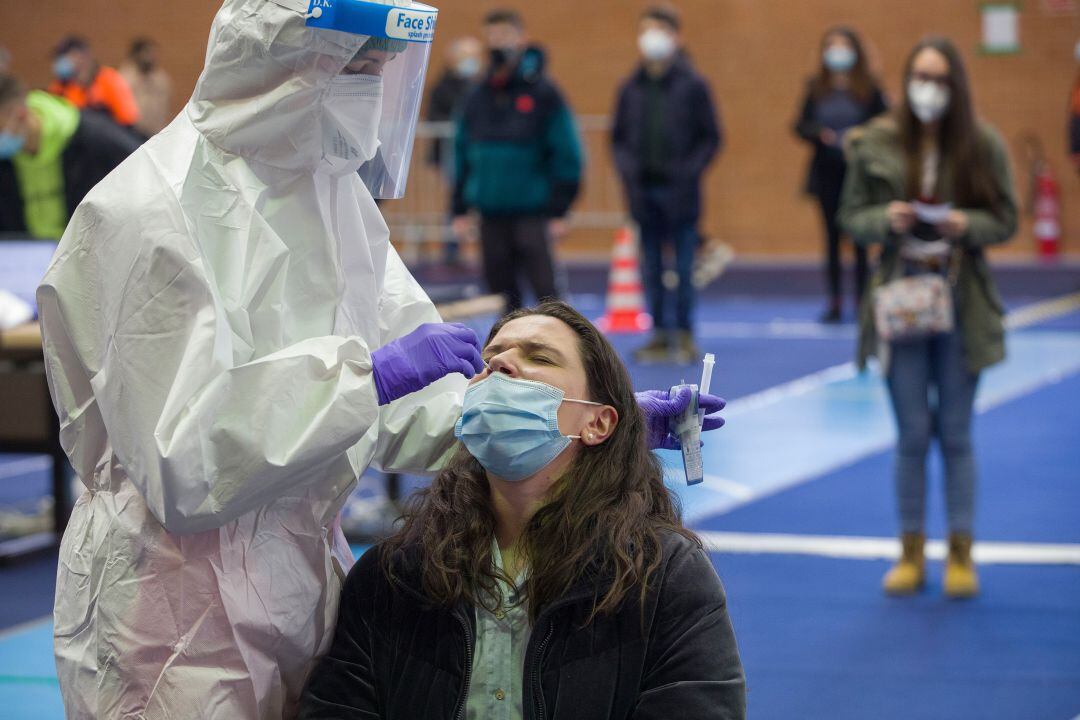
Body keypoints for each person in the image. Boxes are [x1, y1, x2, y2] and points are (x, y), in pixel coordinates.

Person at [37, 4, 720, 715]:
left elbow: (420, 404)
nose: (372, 89)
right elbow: (183, 465)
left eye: (383, 70)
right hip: (170, 605)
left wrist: (567, 420)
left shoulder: (332, 198)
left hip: (303, 578)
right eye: (358, 67)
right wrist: (368, 378)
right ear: (282, 62)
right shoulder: (148, 212)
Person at [298, 300, 745, 719]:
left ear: (597, 421)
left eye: (540, 357)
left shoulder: (665, 576)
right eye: (489, 359)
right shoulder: (395, 573)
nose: (500, 364)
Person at [839, 36, 1017, 599]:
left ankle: (961, 553)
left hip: (962, 302)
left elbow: (1006, 218)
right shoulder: (877, 142)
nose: (929, 88)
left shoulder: (982, 143)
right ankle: (910, 551)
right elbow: (850, 216)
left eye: (940, 78)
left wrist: (969, 225)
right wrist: (882, 219)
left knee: (957, 435)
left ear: (956, 85)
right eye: (921, 75)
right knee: (912, 434)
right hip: (900, 302)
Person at [611, 5, 722, 364]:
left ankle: (686, 333)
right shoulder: (631, 86)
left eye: (659, 29)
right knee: (652, 266)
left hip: (682, 193)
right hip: (643, 192)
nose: (652, 37)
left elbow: (711, 137)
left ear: (676, 37)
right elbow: (619, 139)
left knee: (684, 266)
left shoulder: (693, 84)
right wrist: (630, 174)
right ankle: (659, 333)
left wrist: (688, 172)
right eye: (646, 30)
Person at [452, 9, 583, 313]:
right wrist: (459, 207)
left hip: (532, 214)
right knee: (501, 299)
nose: (498, 43)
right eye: (492, 36)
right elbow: (461, 154)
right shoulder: (477, 96)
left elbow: (567, 152)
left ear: (521, 38)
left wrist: (559, 208)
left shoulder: (544, 93)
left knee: (548, 298)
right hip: (490, 214)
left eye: (504, 35)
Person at [794, 26, 887, 323]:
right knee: (832, 240)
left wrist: (860, 136)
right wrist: (818, 134)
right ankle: (835, 301)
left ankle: (863, 300)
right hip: (826, 172)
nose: (837, 52)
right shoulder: (816, 87)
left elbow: (885, 124)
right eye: (832, 46)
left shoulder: (869, 88)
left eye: (843, 45)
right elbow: (800, 124)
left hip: (858, 173)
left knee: (860, 239)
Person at [0, 71, 140, 238]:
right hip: (28, 258)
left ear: (19, 113)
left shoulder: (94, 138)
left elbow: (144, 170)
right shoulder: (7, 160)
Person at [426, 36, 482, 266]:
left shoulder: (478, 86)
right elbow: (434, 117)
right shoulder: (443, 86)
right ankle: (451, 247)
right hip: (450, 153)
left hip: (473, 152)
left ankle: (469, 245)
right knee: (456, 199)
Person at [48, 35, 140, 130]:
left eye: (63, 57)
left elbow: (128, 119)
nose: (58, 62)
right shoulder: (59, 88)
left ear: (81, 56)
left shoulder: (108, 79)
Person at [119, 37, 174, 137]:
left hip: (155, 132)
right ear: (137, 54)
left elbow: (164, 108)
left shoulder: (161, 79)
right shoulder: (125, 78)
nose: (152, 57)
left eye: (154, 53)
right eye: (147, 53)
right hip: (131, 133)